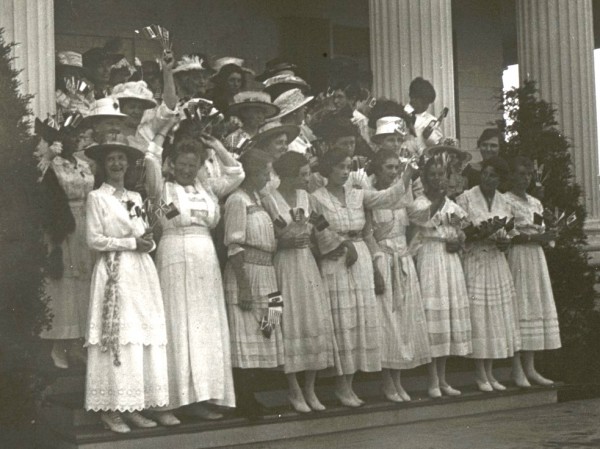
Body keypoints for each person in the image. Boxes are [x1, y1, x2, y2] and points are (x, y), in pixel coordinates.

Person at [145, 132, 244, 423]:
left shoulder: (208, 189)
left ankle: (199, 397)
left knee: (203, 328)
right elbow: (150, 163)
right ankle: (168, 402)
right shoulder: (161, 189)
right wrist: (161, 135)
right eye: (182, 164)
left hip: (205, 260)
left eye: (193, 164)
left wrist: (216, 146)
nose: (188, 170)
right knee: (177, 325)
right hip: (174, 255)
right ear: (172, 165)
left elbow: (237, 172)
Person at [310, 147, 413, 407]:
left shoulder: (357, 195)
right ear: (328, 169)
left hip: (362, 260)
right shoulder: (317, 197)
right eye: (339, 167)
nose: (344, 172)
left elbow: (386, 199)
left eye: (347, 167)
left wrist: (407, 177)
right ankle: (340, 385)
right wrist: (341, 245)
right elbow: (318, 227)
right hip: (336, 261)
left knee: (359, 319)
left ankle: (350, 385)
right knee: (342, 320)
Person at [83, 134, 168, 433]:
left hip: (140, 272)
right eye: (111, 159)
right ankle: (111, 409)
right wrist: (132, 242)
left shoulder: (135, 197)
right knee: (117, 336)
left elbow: (143, 232)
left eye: (121, 159)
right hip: (115, 270)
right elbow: (94, 239)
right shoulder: (97, 197)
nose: (117, 164)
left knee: (138, 337)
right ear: (103, 166)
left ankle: (134, 406)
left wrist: (146, 242)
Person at [262, 152, 338, 413]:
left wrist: (336, 244)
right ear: (291, 175)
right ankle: (293, 389)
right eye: (304, 174)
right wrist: (281, 242)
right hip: (283, 264)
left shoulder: (306, 198)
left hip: (306, 263)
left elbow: (321, 225)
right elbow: (266, 234)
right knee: (287, 320)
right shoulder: (270, 200)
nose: (308, 179)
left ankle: (310, 389)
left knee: (312, 318)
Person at [223, 149, 284, 419]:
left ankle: (255, 393)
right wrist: (244, 285)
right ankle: (244, 398)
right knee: (247, 333)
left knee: (269, 327)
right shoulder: (237, 200)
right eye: (263, 172)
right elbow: (234, 244)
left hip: (268, 272)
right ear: (250, 173)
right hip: (246, 273)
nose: (267, 177)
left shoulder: (260, 198)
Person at [366, 149, 431, 402]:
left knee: (404, 322)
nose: (393, 172)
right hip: (383, 260)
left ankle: (398, 380)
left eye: (396, 168)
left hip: (402, 261)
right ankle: (387, 382)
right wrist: (376, 267)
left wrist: (437, 194)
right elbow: (368, 234)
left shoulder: (403, 194)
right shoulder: (369, 194)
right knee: (387, 324)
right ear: (378, 169)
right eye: (388, 168)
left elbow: (420, 216)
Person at [409, 156, 472, 398]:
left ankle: (443, 378)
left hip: (449, 260)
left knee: (447, 318)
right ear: (425, 178)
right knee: (433, 316)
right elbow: (422, 219)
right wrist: (441, 199)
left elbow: (461, 229)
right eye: (433, 175)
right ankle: (432, 379)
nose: (437, 179)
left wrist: (458, 241)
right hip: (430, 257)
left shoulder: (452, 206)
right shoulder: (419, 203)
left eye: (441, 175)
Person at [456, 156, 520, 392]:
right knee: (479, 316)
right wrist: (477, 234)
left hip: (496, 262)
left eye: (493, 175)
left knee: (494, 317)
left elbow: (511, 232)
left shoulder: (504, 202)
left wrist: (505, 243)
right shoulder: (466, 198)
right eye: (485, 173)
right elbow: (460, 232)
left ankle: (491, 372)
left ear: (500, 179)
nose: (487, 178)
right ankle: (479, 373)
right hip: (476, 260)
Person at [36, 119, 94, 369]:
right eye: (68, 135)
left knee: (83, 283)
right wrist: (48, 157)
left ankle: (76, 343)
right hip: (62, 225)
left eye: (76, 135)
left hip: (86, 223)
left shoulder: (83, 164)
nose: (73, 140)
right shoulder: (51, 163)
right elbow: (33, 182)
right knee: (62, 283)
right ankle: (57, 345)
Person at [504, 156, 561, 387]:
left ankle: (530, 368)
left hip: (536, 258)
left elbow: (542, 229)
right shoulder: (505, 201)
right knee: (520, 307)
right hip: (518, 256)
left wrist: (550, 233)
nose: (524, 179)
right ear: (511, 176)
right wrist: (536, 237)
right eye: (520, 174)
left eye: (528, 175)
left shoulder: (535, 203)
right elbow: (508, 233)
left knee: (534, 305)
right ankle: (516, 368)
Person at [404, 77, 444, 155]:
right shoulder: (399, 114)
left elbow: (438, 147)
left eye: (428, 103)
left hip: (422, 161)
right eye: (423, 102)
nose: (426, 106)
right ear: (413, 97)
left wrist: (431, 138)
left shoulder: (431, 121)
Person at [272, 88, 316, 155]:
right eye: (302, 107)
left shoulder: (300, 131)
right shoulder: (285, 138)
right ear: (294, 112)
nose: (305, 109)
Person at [55, 51, 94, 120]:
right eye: (69, 72)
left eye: (77, 73)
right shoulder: (56, 93)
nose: (75, 76)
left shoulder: (84, 91)